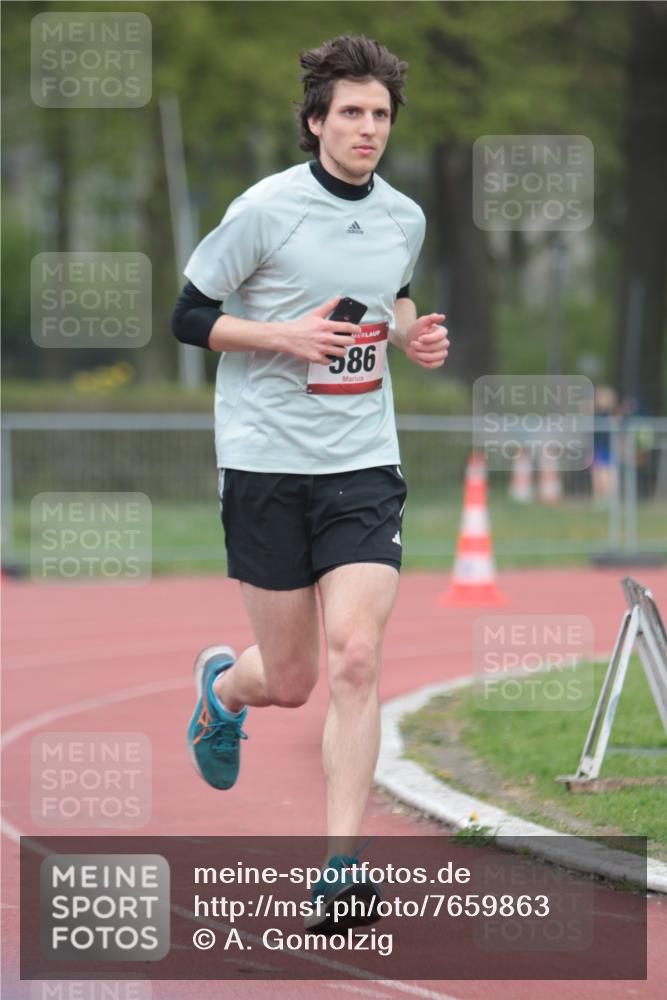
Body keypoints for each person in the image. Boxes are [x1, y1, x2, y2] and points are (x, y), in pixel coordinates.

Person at [172, 34, 449, 930]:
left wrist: (410, 335)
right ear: (315, 122)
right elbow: (188, 315)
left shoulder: (402, 216)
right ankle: (223, 691)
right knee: (290, 680)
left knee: (355, 659)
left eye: (380, 115)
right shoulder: (265, 210)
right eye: (351, 114)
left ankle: (340, 869)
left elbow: (393, 292)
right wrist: (281, 336)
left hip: (361, 462)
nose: (368, 128)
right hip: (264, 462)